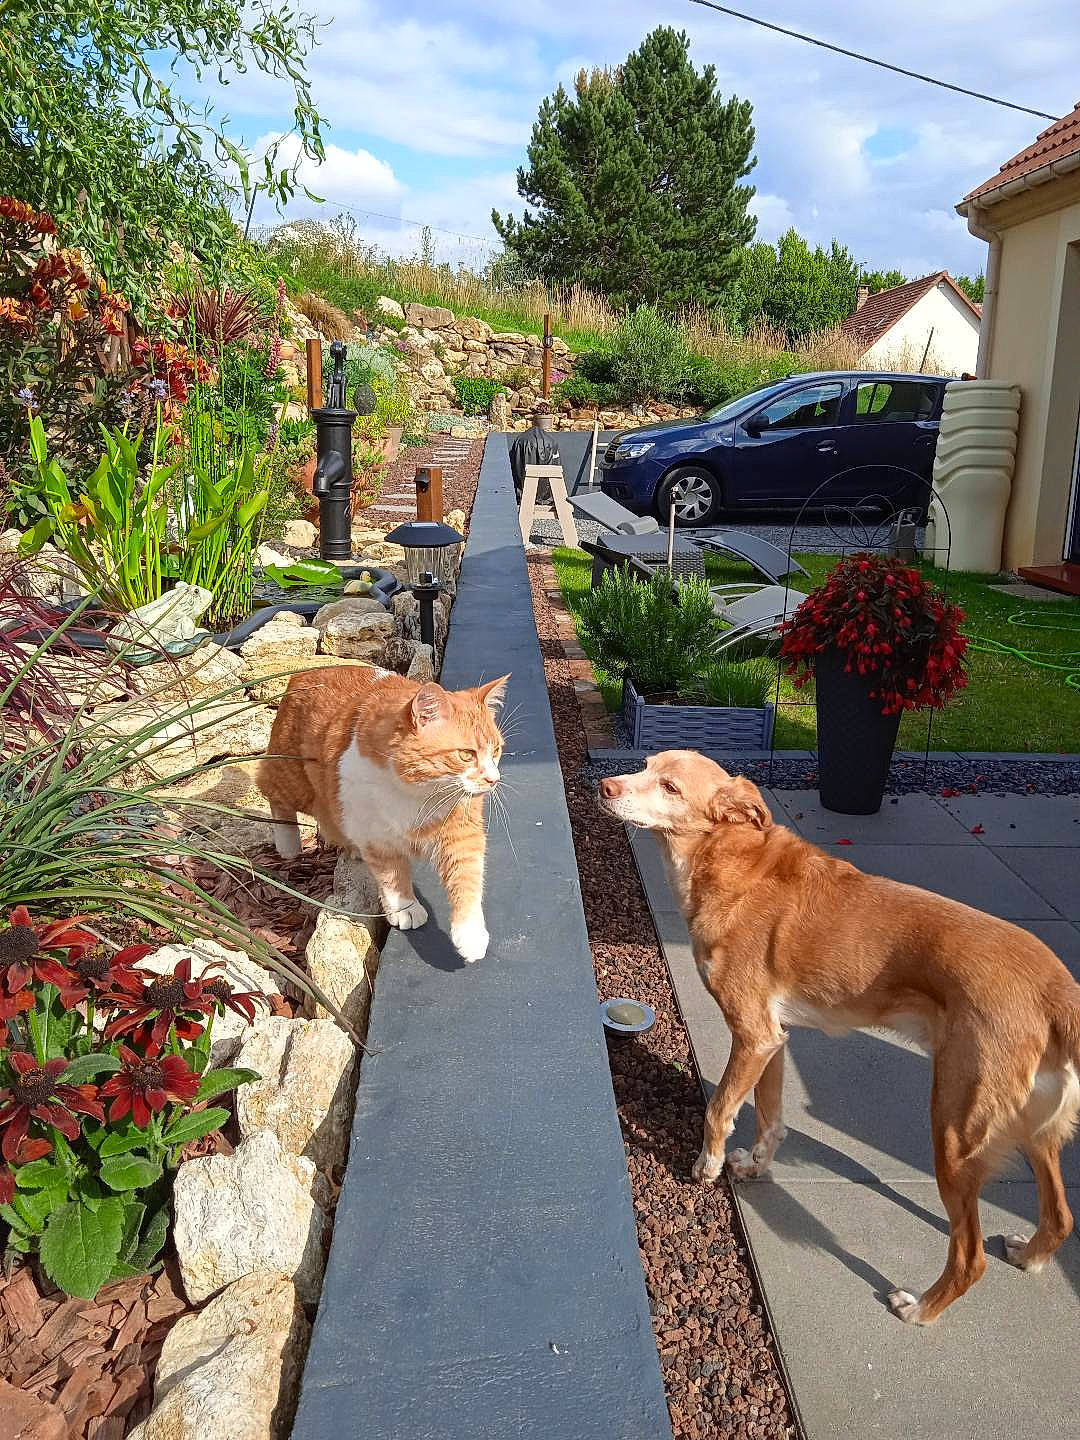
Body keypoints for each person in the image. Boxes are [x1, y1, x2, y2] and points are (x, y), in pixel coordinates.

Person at [509, 405, 562, 504]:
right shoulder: (551, 441)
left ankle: (528, 497)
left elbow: (517, 466)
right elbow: (556, 465)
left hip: (525, 491)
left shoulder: (521, 440)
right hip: (547, 492)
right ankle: (543, 497)